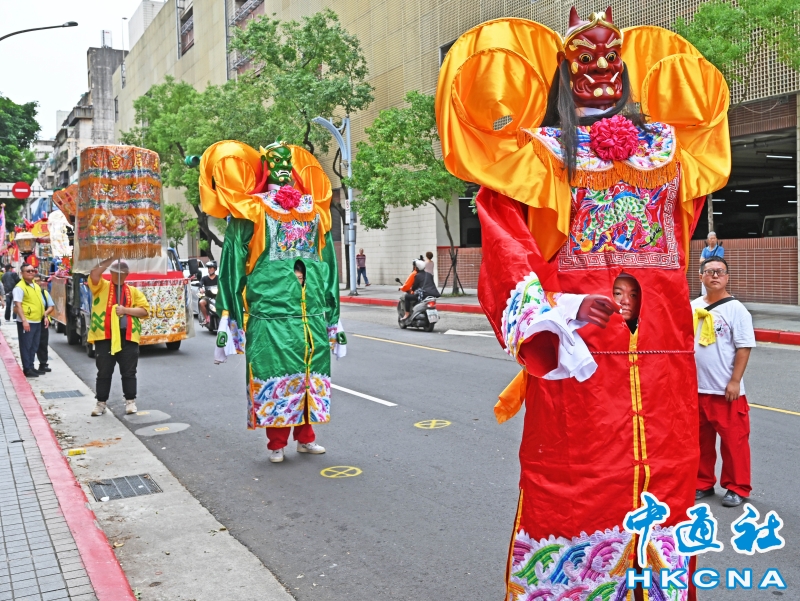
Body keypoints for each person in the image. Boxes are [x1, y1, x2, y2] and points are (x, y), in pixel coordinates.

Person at [437, 8, 731, 598]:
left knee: (665, 489)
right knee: (574, 486)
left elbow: (686, 216)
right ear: (565, 70)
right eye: (586, 58)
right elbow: (507, 239)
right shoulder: (540, 153)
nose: (600, 68)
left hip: (663, 360)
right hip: (582, 359)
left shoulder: (665, 149)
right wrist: (548, 316)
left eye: (610, 57)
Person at [200, 140, 345, 464]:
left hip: (308, 317)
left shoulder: (311, 210)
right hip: (270, 317)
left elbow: (327, 264)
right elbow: (233, 263)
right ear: (265, 168)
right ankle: (276, 443)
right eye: (275, 163)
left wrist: (333, 314)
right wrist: (228, 314)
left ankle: (306, 438)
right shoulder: (252, 211)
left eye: (286, 163)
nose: (282, 169)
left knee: (308, 378)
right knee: (275, 374)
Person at [692, 257, 755, 508]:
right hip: (697, 388)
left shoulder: (736, 310)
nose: (715, 275)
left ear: (727, 277)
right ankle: (702, 482)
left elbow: (744, 347)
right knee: (700, 441)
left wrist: (735, 381)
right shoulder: (693, 306)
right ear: (701, 277)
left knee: (734, 442)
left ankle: (736, 486)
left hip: (725, 389)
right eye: (709, 272)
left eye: (720, 271)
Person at [87, 258, 151, 417]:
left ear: (127, 274)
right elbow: (94, 273)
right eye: (116, 272)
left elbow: (145, 311)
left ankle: (130, 401)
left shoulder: (133, 291)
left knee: (129, 371)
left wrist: (125, 310)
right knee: (104, 372)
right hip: (105, 336)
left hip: (128, 336)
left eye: (123, 273)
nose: (119, 275)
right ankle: (101, 403)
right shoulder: (101, 286)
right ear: (111, 272)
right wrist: (112, 256)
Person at [13, 266, 46, 378]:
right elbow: (18, 305)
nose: (31, 272)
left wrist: (44, 316)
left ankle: (31, 366)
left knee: (34, 345)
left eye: (33, 271)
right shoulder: (19, 287)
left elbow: (40, 303)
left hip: (37, 320)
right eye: (28, 271)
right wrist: (24, 320)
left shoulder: (35, 286)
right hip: (27, 321)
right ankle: (27, 368)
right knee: (26, 346)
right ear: (22, 273)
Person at [33, 275, 56, 373]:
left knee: (43, 343)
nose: (37, 283)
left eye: (38, 281)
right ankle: (30, 366)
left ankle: (43, 364)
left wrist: (45, 314)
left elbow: (51, 306)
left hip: (43, 321)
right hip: (31, 321)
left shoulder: (44, 293)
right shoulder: (28, 293)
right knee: (31, 344)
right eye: (35, 281)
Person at [198, 260, 219, 325]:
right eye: (208, 268)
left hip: (218, 297)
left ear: (215, 269)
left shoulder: (219, 278)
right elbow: (200, 283)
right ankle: (206, 318)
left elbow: (224, 284)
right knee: (201, 303)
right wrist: (201, 288)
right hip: (207, 297)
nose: (209, 269)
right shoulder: (204, 278)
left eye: (211, 268)